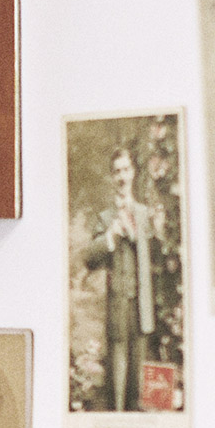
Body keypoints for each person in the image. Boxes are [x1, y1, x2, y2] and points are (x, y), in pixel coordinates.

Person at [83, 147, 162, 410]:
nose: (122, 176)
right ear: (111, 176)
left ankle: (137, 419)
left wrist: (139, 233)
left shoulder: (145, 214)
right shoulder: (106, 217)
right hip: (118, 303)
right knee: (117, 369)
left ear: (133, 172)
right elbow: (89, 259)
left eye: (126, 169)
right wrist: (110, 236)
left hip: (142, 303)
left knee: (139, 369)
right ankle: (117, 416)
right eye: (117, 171)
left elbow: (157, 255)